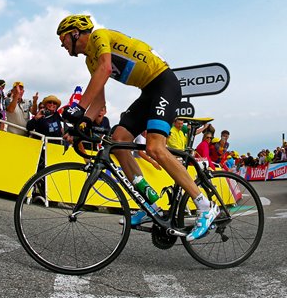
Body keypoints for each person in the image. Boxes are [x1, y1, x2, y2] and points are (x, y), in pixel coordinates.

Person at [57, 14, 218, 241]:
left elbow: (105, 69)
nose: (62, 45)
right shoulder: (88, 61)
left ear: (75, 33)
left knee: (155, 147)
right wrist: (79, 124)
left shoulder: (98, 37)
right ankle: (150, 205)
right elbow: (99, 103)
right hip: (148, 91)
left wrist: (78, 108)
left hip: (163, 82)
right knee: (119, 141)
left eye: (62, 38)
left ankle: (204, 206)